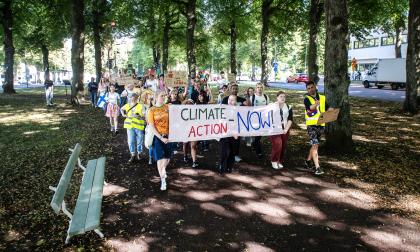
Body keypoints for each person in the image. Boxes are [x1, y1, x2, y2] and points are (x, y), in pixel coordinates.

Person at [147, 91, 174, 190]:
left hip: (170, 136)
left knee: (167, 158)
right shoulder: (152, 110)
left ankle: (163, 171)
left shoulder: (168, 107)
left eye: (164, 95)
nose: (163, 97)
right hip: (158, 137)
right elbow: (151, 126)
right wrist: (161, 137)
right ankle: (163, 180)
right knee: (160, 159)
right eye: (161, 96)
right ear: (156, 97)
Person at [303, 81, 328, 175]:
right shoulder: (306, 99)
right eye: (308, 88)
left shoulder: (322, 97)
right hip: (311, 126)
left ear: (315, 87)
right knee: (315, 145)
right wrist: (316, 104)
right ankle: (318, 167)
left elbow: (327, 108)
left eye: (311, 87)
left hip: (321, 125)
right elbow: (310, 108)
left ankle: (308, 161)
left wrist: (332, 111)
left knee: (315, 145)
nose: (310, 90)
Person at [222, 83, 249, 162]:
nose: (235, 90)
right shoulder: (225, 99)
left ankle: (236, 155)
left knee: (236, 140)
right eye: (233, 88)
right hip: (227, 124)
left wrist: (247, 96)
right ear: (230, 89)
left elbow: (249, 106)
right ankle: (228, 155)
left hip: (237, 124)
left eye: (236, 88)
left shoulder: (241, 99)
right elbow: (222, 110)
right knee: (227, 140)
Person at [269, 91, 293, 169]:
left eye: (284, 96)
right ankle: (274, 160)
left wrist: (286, 129)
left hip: (285, 127)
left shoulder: (288, 106)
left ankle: (279, 161)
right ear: (277, 97)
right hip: (274, 128)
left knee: (283, 145)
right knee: (278, 144)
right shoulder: (272, 106)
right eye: (281, 96)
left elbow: (290, 119)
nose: (283, 98)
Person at [121, 93, 146, 163]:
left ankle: (139, 153)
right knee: (130, 140)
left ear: (137, 98)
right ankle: (133, 154)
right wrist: (123, 114)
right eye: (131, 97)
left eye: (134, 97)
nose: (133, 98)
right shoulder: (127, 105)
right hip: (130, 125)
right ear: (129, 98)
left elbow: (144, 115)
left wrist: (139, 116)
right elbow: (121, 109)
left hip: (139, 125)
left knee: (140, 140)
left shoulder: (141, 106)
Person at [218, 95, 239, 174]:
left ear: (236, 102)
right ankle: (222, 168)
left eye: (232, 100)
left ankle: (229, 167)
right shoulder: (223, 109)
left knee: (232, 152)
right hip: (224, 133)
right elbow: (220, 121)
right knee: (224, 151)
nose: (230, 101)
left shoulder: (239, 110)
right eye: (229, 99)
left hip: (234, 134)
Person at [250, 83, 269, 159]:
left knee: (259, 135)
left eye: (261, 87)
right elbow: (249, 108)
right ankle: (259, 152)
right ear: (256, 88)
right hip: (255, 118)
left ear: (263, 88)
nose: (259, 89)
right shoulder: (253, 97)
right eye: (258, 87)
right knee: (257, 134)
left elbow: (267, 107)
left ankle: (254, 144)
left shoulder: (266, 97)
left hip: (263, 118)